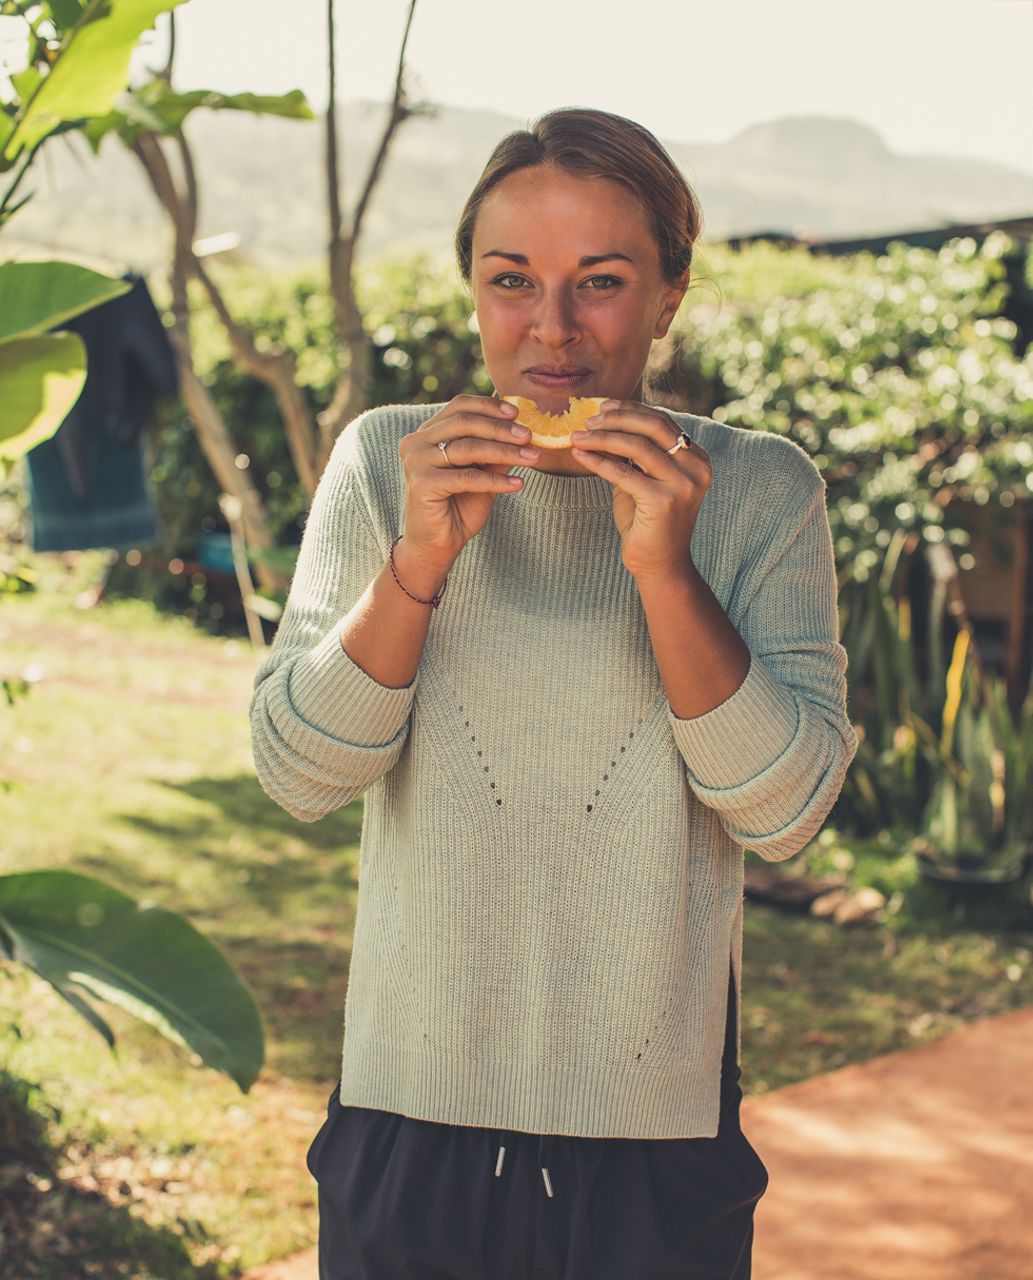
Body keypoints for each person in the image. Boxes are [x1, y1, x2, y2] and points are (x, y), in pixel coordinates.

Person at [249, 106, 858, 1280]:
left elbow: (782, 812)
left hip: (655, 1144)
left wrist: (664, 570)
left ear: (670, 295)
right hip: (406, 1115)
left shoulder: (760, 490)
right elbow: (296, 772)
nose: (552, 331)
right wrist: (417, 565)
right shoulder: (389, 461)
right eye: (512, 279)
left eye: (602, 281)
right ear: (473, 288)